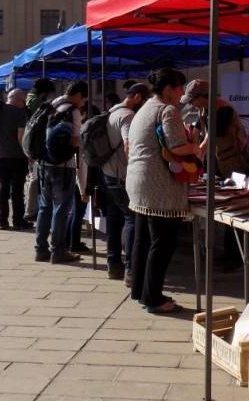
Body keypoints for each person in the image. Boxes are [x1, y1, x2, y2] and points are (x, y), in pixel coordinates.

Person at [127, 68, 200, 314]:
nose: (181, 94)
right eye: (179, 88)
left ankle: (141, 290)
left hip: (138, 182)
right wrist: (195, 146)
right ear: (168, 89)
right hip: (158, 187)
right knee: (162, 243)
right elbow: (177, 146)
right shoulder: (167, 110)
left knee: (143, 241)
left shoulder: (145, 108)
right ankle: (154, 298)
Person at [101, 83, 150, 281]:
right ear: (137, 97)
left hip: (108, 174)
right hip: (122, 175)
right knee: (132, 219)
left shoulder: (111, 112)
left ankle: (113, 265)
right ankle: (131, 269)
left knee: (113, 221)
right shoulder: (128, 116)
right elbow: (129, 144)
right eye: (144, 100)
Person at [35, 81, 87, 264]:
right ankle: (58, 251)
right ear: (78, 95)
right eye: (83, 99)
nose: (83, 103)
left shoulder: (51, 105)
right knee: (61, 209)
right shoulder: (72, 111)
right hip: (63, 166)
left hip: (44, 164)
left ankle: (40, 249)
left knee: (44, 207)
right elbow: (75, 141)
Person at [181, 79, 249, 179]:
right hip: (216, 160)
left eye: (191, 101)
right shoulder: (203, 108)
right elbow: (196, 130)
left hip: (233, 161)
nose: (190, 104)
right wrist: (192, 147)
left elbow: (211, 136)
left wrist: (196, 155)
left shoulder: (223, 109)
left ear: (201, 97)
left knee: (233, 187)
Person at [0, 89, 31, 230]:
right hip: (17, 157)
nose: (24, 104)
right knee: (17, 190)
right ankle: (18, 221)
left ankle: (2, 221)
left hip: (0, 156)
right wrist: (28, 154)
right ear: (18, 99)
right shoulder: (19, 113)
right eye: (24, 101)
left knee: (2, 188)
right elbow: (20, 137)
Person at [23, 78, 56, 225]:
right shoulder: (35, 102)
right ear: (44, 92)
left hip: (30, 142)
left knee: (33, 176)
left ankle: (30, 208)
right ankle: (30, 211)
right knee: (35, 178)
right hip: (35, 143)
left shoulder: (30, 98)